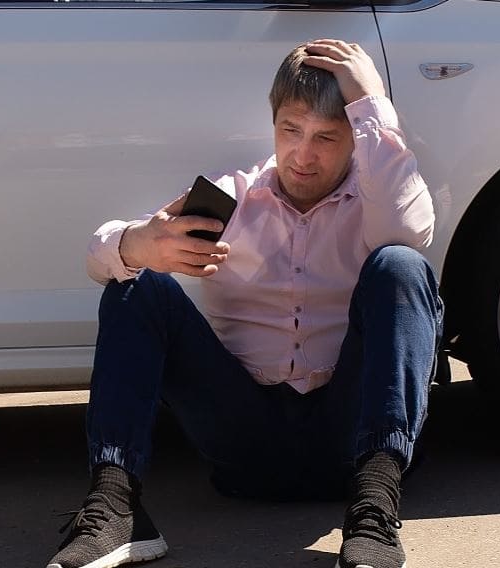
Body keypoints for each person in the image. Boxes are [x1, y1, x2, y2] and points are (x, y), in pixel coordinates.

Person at [48, 39, 442, 568]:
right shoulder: (231, 198)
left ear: (358, 137)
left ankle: (375, 508)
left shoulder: (379, 200)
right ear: (273, 122)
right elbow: (99, 257)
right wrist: (138, 243)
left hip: (349, 437)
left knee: (400, 266)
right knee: (135, 282)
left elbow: (409, 233)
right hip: (244, 438)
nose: (304, 154)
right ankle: (115, 508)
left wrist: (372, 100)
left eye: (327, 137)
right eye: (290, 130)